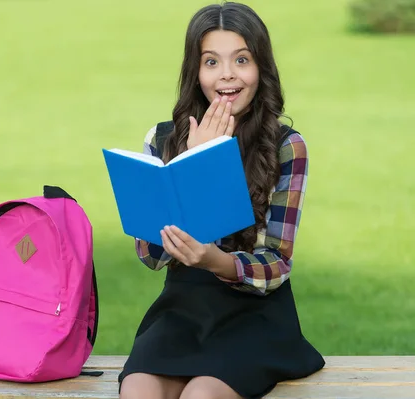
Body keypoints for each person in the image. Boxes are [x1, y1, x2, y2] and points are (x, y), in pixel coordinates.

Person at [117, 2, 325, 399]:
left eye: (241, 60)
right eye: (211, 61)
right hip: (182, 310)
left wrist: (215, 260)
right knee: (138, 391)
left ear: (260, 68)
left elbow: (277, 263)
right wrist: (193, 163)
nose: (227, 74)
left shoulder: (286, 147)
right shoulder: (161, 139)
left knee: (202, 395)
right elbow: (151, 255)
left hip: (254, 314)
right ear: (195, 72)